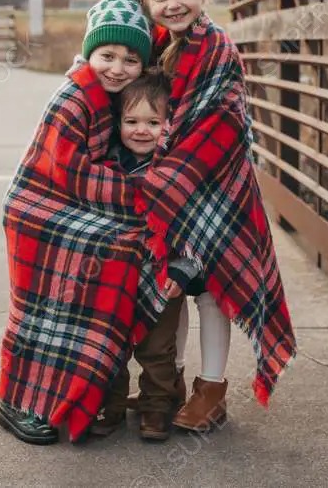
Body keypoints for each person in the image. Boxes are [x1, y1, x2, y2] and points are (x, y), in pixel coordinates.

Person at [128, 0, 298, 431]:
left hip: (216, 189)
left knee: (212, 292)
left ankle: (213, 389)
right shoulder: (155, 46)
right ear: (147, 0)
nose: (174, 3)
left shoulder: (217, 48)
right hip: (173, 191)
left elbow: (221, 121)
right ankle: (172, 383)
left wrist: (164, 178)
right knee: (173, 287)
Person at [0, 0, 171, 445]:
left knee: (123, 256)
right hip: (37, 210)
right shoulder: (74, 96)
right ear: (89, 52)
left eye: (131, 59)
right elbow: (69, 170)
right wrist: (140, 198)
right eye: (107, 56)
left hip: (74, 208)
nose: (117, 68)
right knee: (41, 309)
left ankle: (80, 388)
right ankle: (16, 402)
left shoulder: (113, 97)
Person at [88, 70, 188, 441]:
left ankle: (156, 408)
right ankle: (109, 405)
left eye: (153, 122)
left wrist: (182, 270)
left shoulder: (176, 169)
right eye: (131, 121)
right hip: (113, 273)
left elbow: (192, 227)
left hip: (162, 273)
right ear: (118, 123)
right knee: (109, 341)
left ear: (169, 124)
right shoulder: (106, 165)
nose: (141, 130)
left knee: (158, 348)